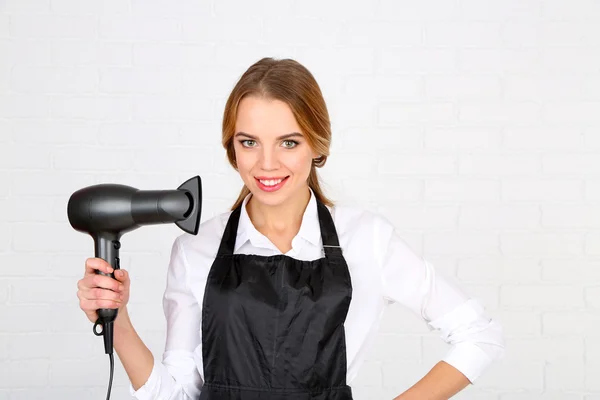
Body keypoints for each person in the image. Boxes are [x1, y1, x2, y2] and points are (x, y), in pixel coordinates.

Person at [77, 57, 505, 400]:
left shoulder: (367, 240)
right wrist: (121, 321)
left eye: (288, 142)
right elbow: (177, 394)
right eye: (249, 142)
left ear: (318, 145)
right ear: (232, 148)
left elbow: (479, 336)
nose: (266, 164)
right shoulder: (197, 249)